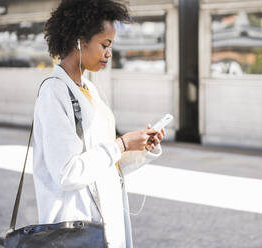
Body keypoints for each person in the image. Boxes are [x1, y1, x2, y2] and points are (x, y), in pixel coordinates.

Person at [32, 0, 166, 248]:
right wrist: (122, 144)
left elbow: (104, 161)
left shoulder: (89, 89)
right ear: (79, 40)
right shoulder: (54, 92)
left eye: (111, 45)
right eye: (104, 44)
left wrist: (138, 148)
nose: (109, 53)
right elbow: (67, 173)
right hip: (76, 229)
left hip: (105, 223)